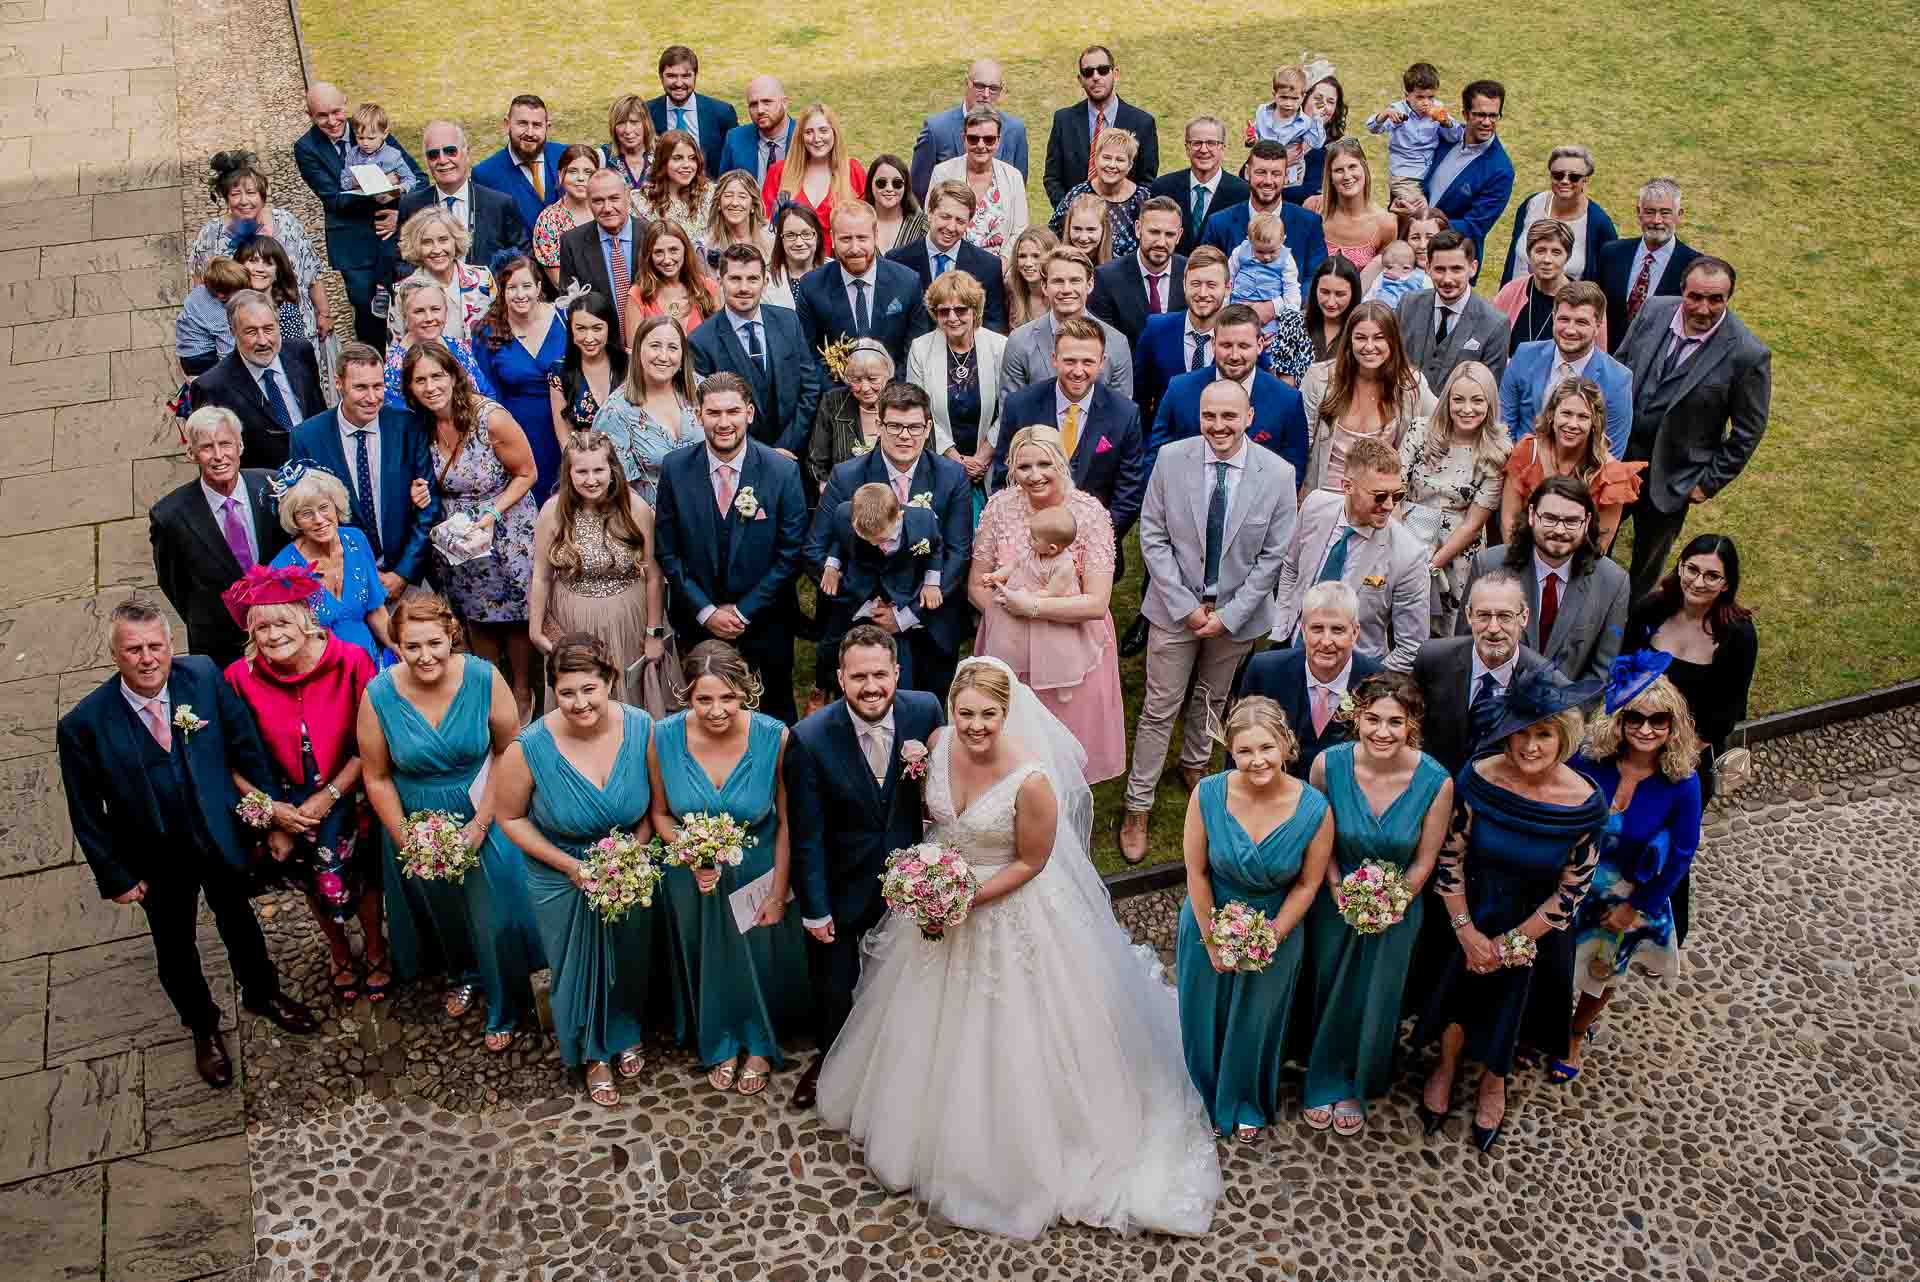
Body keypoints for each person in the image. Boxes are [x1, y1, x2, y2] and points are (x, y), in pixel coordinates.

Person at [815, 656, 1222, 1239]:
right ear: (950, 709)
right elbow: (934, 819)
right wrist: (931, 881)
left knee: (1013, 1031)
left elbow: (1033, 861)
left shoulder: (1031, 781)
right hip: (941, 898)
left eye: (988, 715)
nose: (976, 726)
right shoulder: (933, 742)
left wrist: (964, 898)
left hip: (1006, 907)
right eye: (966, 713)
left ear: (1007, 715)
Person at [58, 600, 318, 1089]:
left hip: (219, 835)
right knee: (175, 947)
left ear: (170, 646)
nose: (147, 658)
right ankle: (203, 1028)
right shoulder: (84, 724)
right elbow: (85, 809)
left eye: (155, 646)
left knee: (239, 921)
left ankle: (262, 994)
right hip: (155, 857)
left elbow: (246, 746)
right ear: (115, 654)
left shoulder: (200, 675)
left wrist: (271, 823)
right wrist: (115, 874)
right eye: (133, 649)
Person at [1413, 667, 1605, 1152]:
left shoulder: (1585, 802)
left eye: (1543, 735)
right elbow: (1451, 852)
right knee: (1458, 989)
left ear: (1563, 737)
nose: (1530, 747)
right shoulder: (1479, 776)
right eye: (1520, 735)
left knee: (1513, 1003)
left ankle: (1494, 1080)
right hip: (1470, 908)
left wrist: (1514, 942)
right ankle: (1447, 1065)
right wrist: (1466, 931)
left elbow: (1572, 888)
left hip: (1537, 925)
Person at [1121, 381, 1298, 864]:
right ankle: (1138, 801)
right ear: (1199, 416)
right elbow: (1152, 537)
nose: (1218, 426)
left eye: (1229, 416)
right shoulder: (1172, 460)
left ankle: (1196, 763)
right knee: (1160, 705)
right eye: (1209, 416)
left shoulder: (1278, 474)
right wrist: (1185, 607)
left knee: (1214, 697)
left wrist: (1230, 615)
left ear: (1249, 416)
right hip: (1175, 607)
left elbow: (1273, 557)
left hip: (1237, 614)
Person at [359, 590, 542, 1052]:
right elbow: (377, 776)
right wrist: (408, 839)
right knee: (445, 911)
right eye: (413, 646)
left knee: (496, 910)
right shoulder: (378, 694)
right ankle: (465, 973)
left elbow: (509, 750)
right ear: (396, 645)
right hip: (418, 817)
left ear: (451, 638)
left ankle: (507, 1000)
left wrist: (481, 825)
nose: (425, 657)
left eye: (435, 644)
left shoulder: (483, 677)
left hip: (485, 802)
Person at [784, 625, 944, 1109]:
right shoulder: (809, 738)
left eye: (880, 674)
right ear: (840, 677)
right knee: (833, 985)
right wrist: (814, 907)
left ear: (897, 672)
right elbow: (806, 833)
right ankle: (829, 1061)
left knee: (909, 976)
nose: (870, 686)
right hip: (841, 880)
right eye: (858, 677)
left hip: (911, 877)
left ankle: (902, 1064)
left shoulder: (926, 711)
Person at [493, 635, 656, 1107]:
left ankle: (624, 1028)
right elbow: (510, 818)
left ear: (610, 682)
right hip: (559, 869)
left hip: (628, 864)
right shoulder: (528, 749)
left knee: (627, 955)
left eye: (590, 689)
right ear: (553, 693)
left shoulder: (643, 727)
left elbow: (654, 807)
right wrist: (573, 867)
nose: (580, 703)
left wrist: (629, 857)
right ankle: (591, 1051)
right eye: (567, 693)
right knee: (575, 964)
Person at [650, 641, 810, 1094]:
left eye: (727, 697)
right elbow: (660, 814)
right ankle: (718, 1038)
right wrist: (690, 851)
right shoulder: (662, 737)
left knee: (758, 958)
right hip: (690, 877)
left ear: (746, 692)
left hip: (758, 870)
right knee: (706, 954)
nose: (716, 710)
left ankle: (758, 1042)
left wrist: (779, 892)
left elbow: (786, 823)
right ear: (688, 697)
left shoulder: (774, 736)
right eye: (704, 699)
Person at [221, 570, 386, 1003]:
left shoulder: (351, 661)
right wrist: (269, 810)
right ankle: (338, 951)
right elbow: (226, 758)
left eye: (282, 623)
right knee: (310, 881)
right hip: (287, 810)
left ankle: (375, 948)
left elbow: (372, 742)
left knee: (365, 880)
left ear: (306, 621)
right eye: (262, 627)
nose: (274, 636)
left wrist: (330, 795)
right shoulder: (239, 678)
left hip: (349, 793)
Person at [1299, 673, 1451, 1133]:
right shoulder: (1328, 766)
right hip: (1334, 899)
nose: (1382, 732)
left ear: (1412, 726)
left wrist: (1394, 902)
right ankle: (1321, 1074)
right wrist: (1337, 889)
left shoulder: (1436, 782)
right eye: (1372, 719)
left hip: (1398, 909)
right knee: (1329, 985)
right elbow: (1315, 840)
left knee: (1377, 995)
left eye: (1395, 722)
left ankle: (1359, 1079)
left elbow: (1427, 858)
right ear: (1356, 719)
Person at [1175, 695, 1332, 1142]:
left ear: (1285, 743)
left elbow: (1307, 884)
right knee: (1205, 1012)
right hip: (1210, 918)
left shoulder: (1315, 809)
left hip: (1276, 927)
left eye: (1266, 747)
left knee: (1256, 1021)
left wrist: (1271, 937)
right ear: (1232, 752)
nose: (1257, 760)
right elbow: (1197, 871)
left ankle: (1244, 1097)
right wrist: (1211, 941)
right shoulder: (1207, 794)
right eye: (1245, 751)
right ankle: (1203, 1090)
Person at [1562, 660, 1703, 1081]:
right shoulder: (1588, 761)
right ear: (1618, 721)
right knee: (1554, 962)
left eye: (1658, 720)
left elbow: (1682, 852)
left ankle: (1575, 1033)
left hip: (1627, 898)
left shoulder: (1682, 782)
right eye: (1635, 718)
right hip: (1572, 884)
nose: (1646, 729)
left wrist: (1638, 906)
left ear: (1672, 724)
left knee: (1601, 971)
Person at [970, 426, 1125, 783]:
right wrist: (1006, 619)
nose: (1034, 475)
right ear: (1011, 468)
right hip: (1008, 646)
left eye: (1045, 464)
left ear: (1061, 464)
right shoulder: (999, 507)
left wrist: (1034, 611)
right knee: (1012, 758)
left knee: (1064, 760)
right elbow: (977, 584)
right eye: (1024, 467)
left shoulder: (1088, 513)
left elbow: (1097, 602)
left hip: (1072, 652)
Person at [653, 373, 810, 724]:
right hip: (698, 623)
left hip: (766, 621)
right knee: (707, 717)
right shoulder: (676, 470)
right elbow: (667, 551)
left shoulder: (781, 471)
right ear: (698, 415)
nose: (724, 423)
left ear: (749, 413)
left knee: (773, 716)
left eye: (733, 412)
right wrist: (706, 611)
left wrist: (743, 611)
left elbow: (791, 554)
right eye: (713, 413)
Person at [1614, 256, 1772, 603]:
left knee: (1645, 568)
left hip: (1673, 477)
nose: (1704, 308)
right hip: (1618, 461)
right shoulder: (1653, 310)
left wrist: (1707, 483)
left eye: (1716, 299)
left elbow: (1748, 430)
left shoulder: (1747, 354)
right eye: (1695, 297)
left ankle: (1628, 633)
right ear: (1681, 291)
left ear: (1729, 298)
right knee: (1595, 545)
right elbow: (1621, 365)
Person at [809, 383, 974, 703]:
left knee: (926, 716)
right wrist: (867, 607)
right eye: (895, 426)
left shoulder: (950, 476)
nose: (904, 436)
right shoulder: (847, 476)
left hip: (926, 621)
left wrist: (906, 615)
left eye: (913, 427)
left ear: (927, 428)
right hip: (860, 618)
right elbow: (816, 548)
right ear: (879, 425)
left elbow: (957, 551)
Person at [403, 341, 540, 717]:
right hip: (458, 541)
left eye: (437, 376)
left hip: (506, 528)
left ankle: (524, 691)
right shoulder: (421, 426)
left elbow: (528, 473)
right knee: (475, 615)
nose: (430, 387)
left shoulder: (490, 418)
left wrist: (492, 513)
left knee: (514, 615)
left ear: (453, 376)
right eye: (420, 380)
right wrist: (421, 492)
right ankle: (488, 690)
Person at [528, 431, 670, 716]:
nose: (590, 480)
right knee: (579, 690)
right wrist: (535, 629)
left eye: (598, 470)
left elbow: (654, 576)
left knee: (626, 694)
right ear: (569, 473)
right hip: (573, 618)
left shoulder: (636, 509)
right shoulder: (552, 512)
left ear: (613, 470)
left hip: (627, 617)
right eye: (581, 471)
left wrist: (653, 633)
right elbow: (541, 576)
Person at [289, 342, 441, 603]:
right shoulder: (307, 437)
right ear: (339, 384)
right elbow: (304, 515)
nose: (372, 398)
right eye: (360, 387)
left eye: (378, 386)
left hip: (407, 577)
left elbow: (429, 505)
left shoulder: (408, 425)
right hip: (343, 582)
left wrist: (402, 574)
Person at [150, 407, 293, 669]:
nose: (218, 456)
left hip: (286, 632)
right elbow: (175, 586)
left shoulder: (273, 485)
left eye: (225, 444)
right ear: (191, 454)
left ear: (240, 446)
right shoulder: (169, 517)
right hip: (221, 647)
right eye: (206, 447)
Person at [1458, 474, 1631, 687]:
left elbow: (1601, 673)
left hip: (1565, 712)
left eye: (1571, 521)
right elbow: (1465, 647)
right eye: (1550, 518)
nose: (1559, 530)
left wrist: (1565, 716)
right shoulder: (1488, 565)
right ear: (1532, 515)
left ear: (1586, 522)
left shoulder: (1613, 582)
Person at [1272, 438, 1427, 670]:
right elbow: (1292, 568)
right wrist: (1281, 627)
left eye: (1397, 496)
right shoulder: (1315, 505)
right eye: (1379, 496)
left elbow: (1411, 647)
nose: (1389, 506)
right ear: (1347, 486)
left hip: (1354, 672)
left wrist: (1366, 686)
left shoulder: (1409, 555)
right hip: (1292, 652)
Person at [994, 316, 1146, 543]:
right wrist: (1030, 538)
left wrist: (1090, 542)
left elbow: (1128, 494)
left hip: (1095, 545)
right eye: (1070, 361)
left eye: (1087, 362)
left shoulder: (1124, 414)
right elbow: (1004, 478)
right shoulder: (1020, 406)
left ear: (1102, 362)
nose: (1078, 371)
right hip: (1027, 543)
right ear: (1054, 359)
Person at [295, 82, 423, 344]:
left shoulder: (368, 127)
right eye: (322, 115)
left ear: (345, 103)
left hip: (393, 234)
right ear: (310, 116)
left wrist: (399, 212)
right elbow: (334, 199)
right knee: (367, 310)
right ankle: (374, 369)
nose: (332, 121)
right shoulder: (306, 148)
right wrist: (381, 182)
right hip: (352, 243)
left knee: (409, 301)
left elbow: (418, 179)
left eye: (336, 112)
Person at [1397, 361, 1511, 633]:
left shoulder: (1497, 453)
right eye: (1458, 400)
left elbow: (1474, 523)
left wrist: (1431, 564)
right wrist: (1404, 548)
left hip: (1456, 550)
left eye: (1477, 401)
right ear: (1447, 400)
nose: (1467, 409)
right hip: (1407, 535)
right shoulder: (1421, 431)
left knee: (1449, 631)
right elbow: (1394, 488)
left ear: (1490, 403)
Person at [1411, 569, 1555, 780]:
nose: (1493, 628)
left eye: (1505, 616)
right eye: (1484, 615)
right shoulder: (1432, 659)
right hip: (1434, 785)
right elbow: (1414, 728)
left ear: (1524, 617)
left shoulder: (1547, 681)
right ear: (1469, 615)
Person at [1234, 581, 1386, 777]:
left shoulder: (1376, 682)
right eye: (1317, 629)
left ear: (1355, 632)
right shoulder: (1265, 671)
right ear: (1304, 631)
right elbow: (1241, 740)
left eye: (1337, 630)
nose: (1326, 641)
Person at [690, 244, 823, 456]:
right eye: (735, 279)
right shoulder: (701, 341)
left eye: (752, 279)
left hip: (796, 455)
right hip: (739, 458)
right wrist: (763, 454)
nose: (744, 288)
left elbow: (810, 388)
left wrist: (788, 446)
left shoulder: (788, 321)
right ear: (719, 281)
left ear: (765, 281)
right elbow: (710, 412)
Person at [1149, 303, 1309, 478]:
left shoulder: (1287, 401)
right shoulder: (1179, 390)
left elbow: (1293, 471)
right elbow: (1157, 459)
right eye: (1226, 345)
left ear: (1260, 344)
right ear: (1213, 344)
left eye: (1243, 346)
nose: (1234, 355)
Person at [188, 152, 330, 342]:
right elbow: (201, 289)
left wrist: (324, 314)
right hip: (239, 335)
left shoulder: (286, 224)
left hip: (296, 329)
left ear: (262, 195)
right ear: (226, 197)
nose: (244, 201)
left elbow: (312, 273)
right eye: (236, 194)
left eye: (251, 193)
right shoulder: (211, 236)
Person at [1299, 301, 1436, 493]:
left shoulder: (1410, 385)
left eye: (1379, 338)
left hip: (1378, 501)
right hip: (1323, 494)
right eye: (1361, 338)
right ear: (1349, 340)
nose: (1369, 347)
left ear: (1393, 340)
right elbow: (1301, 442)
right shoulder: (1319, 379)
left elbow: (1441, 422)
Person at [814, 483, 943, 685]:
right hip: (858, 586)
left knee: (899, 653)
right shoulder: (843, 514)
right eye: (867, 538)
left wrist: (931, 583)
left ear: (899, 516)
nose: (876, 544)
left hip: (898, 591)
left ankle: (899, 693)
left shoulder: (923, 521)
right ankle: (826, 686)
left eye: (882, 538)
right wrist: (832, 565)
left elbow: (935, 548)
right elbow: (840, 538)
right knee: (831, 644)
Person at [265, 462, 394, 665]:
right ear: (294, 520)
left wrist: (399, 649)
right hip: (323, 673)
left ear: (336, 505)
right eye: (306, 514)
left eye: (324, 507)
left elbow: (376, 611)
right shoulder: (282, 568)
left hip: (372, 664)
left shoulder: (356, 540)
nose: (319, 519)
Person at [1499, 376, 1644, 548]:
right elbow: (1509, 521)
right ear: (1552, 414)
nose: (1572, 424)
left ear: (1594, 423)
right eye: (1566, 413)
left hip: (1576, 563)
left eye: (1583, 417)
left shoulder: (1612, 476)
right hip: (1523, 554)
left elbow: (1600, 543)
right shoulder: (1527, 451)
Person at [192, 290, 326, 468]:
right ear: (233, 332)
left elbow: (320, 414)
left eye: (268, 329)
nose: (263, 341)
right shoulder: (211, 387)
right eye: (251, 332)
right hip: (264, 487)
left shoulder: (301, 352)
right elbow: (214, 463)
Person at [474, 254, 569, 505]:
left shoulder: (565, 319)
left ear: (539, 287)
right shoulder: (488, 332)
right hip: (518, 432)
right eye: (511, 287)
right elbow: (486, 393)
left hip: (565, 425)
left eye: (526, 286)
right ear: (501, 291)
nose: (520, 294)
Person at [906, 268, 1008, 498]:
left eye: (961, 309)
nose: (952, 318)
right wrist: (954, 458)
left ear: (975, 310)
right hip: (940, 463)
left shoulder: (999, 346)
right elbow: (917, 410)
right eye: (944, 311)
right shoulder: (920, 349)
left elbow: (1008, 408)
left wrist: (982, 458)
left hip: (990, 464)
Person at [791, 202, 922, 377]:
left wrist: (888, 391)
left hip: (895, 395)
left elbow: (914, 352)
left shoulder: (908, 282)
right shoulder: (812, 287)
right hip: (836, 395)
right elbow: (808, 357)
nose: (854, 248)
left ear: (875, 235)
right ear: (833, 237)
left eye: (862, 238)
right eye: (845, 239)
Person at [593, 313, 701, 502]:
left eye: (673, 348)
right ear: (637, 350)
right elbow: (617, 487)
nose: (664, 356)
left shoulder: (702, 390)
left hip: (708, 511)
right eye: (655, 346)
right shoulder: (616, 411)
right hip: (650, 517)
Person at [999, 246, 1134, 397]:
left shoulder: (1116, 343)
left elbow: (1121, 414)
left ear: (1089, 285)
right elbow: (1011, 410)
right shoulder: (1019, 341)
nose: (1066, 289)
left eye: (1075, 281)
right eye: (1058, 281)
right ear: (1044, 286)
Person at [1200, 140, 1327, 296]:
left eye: (1276, 174)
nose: (1268, 181)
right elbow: (1207, 276)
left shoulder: (1309, 224)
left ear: (1286, 176)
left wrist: (1276, 307)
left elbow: (1316, 280)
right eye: (1261, 172)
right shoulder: (1219, 223)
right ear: (1247, 173)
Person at [397, 121, 530, 269]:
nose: (442, 160)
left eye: (450, 151)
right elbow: (400, 263)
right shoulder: (411, 206)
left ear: (467, 152)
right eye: (433, 154)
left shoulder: (500, 205)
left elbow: (522, 261)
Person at [887, 182, 1010, 338]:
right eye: (945, 217)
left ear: (969, 222)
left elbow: (994, 326)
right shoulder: (898, 260)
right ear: (930, 213)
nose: (951, 227)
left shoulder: (988, 266)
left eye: (960, 221)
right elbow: (892, 322)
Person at [1042, 44, 1159, 207]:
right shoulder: (1064, 120)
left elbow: (1147, 181)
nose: (1095, 77)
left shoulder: (1142, 123)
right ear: (1080, 79)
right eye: (1088, 72)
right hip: (1075, 225)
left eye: (1102, 70)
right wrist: (1070, 212)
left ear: (1115, 74)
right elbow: (1052, 178)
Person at [1594, 177, 1700, 354]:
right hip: (1608, 357)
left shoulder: (1694, 267)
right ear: (1639, 212)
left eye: (1665, 213)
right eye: (1650, 212)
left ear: (1679, 215)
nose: (1657, 220)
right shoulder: (1611, 253)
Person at [1420, 80, 1514, 277]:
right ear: (1465, 114)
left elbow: (1476, 225)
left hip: (1450, 264)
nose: (1487, 122)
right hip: (1413, 247)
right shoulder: (1445, 135)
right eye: (1480, 114)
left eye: (1493, 116)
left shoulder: (1501, 171)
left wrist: (1433, 225)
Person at [1395, 229, 1509, 391]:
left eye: (1456, 269)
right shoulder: (1408, 305)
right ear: (1428, 268)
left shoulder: (1495, 324)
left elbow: (1488, 392)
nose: (1447, 279)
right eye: (1440, 269)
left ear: (1473, 268)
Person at [1133, 246, 1232, 430]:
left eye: (1211, 285)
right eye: (1195, 284)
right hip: (1167, 448)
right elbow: (1140, 400)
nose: (1202, 294)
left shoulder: (1240, 337)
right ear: (1184, 283)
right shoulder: (1157, 330)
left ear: (1227, 288)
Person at [910, 59, 1030, 200]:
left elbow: (1018, 187)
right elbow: (919, 190)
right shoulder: (936, 129)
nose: (986, 94)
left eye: (993, 88)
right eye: (980, 86)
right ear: (967, 83)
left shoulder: (1015, 130)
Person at [1498, 144, 1617, 286]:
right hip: (1517, 300)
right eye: (1558, 175)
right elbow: (1513, 260)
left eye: (1574, 177)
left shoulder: (1599, 224)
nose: (1565, 181)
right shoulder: (1532, 204)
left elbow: (1608, 280)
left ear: (1585, 180)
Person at [926, 107, 1030, 260]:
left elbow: (1020, 229)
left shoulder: (1013, 177)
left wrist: (1002, 265)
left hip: (998, 270)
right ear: (964, 138)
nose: (981, 145)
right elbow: (930, 220)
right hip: (951, 266)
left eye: (989, 139)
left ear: (998, 140)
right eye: (974, 139)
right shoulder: (943, 173)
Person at [763, 104, 866, 257]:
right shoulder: (779, 172)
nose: (817, 139)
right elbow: (765, 226)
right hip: (791, 264)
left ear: (834, 133)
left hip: (840, 265)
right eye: (809, 132)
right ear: (800, 137)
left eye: (823, 131)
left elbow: (866, 224)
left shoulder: (853, 171)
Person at [1492, 218, 1607, 356]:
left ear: (1567, 257)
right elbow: (1489, 341)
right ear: (1529, 254)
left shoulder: (1588, 301)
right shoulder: (1510, 292)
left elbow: (1598, 356)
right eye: (1540, 251)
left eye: (1556, 252)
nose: (1547, 259)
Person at [555, 170, 642, 347]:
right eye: (598, 201)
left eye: (614, 198)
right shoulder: (572, 243)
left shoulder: (652, 237)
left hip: (649, 348)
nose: (607, 208)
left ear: (627, 196)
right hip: (600, 350)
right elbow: (571, 305)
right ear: (588, 202)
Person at [1364, 62, 1463, 212]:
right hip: (1404, 177)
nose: (1426, 103)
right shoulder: (1398, 112)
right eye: (1420, 97)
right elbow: (1372, 128)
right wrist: (1384, 115)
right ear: (1407, 96)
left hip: (1429, 175)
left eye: (1431, 97)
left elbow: (1456, 137)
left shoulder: (1438, 109)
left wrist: (1446, 122)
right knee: (1420, 214)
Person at [1089, 196, 1185, 349]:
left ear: (1179, 235)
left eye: (1169, 234)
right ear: (1138, 229)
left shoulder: (1190, 274)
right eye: (1154, 232)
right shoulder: (1107, 278)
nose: (1161, 242)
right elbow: (1103, 343)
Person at [381, 279, 494, 408]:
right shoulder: (395, 369)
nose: (429, 318)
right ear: (405, 316)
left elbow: (487, 392)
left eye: (435, 309)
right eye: (419, 311)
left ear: (445, 311)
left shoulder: (459, 346)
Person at [1150, 115, 1251, 257]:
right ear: (1187, 148)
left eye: (1211, 143)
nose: (1204, 150)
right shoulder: (1162, 188)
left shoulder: (1243, 194)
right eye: (1196, 143)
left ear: (1222, 148)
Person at [1047, 126, 1152, 258]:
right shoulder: (1078, 194)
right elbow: (1051, 235)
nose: (1112, 165)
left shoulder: (1142, 198)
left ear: (1130, 165)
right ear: (1096, 159)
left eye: (1120, 160)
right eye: (1106, 158)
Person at [804, 338, 894, 492]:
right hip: (844, 496)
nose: (865, 388)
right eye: (856, 380)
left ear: (888, 375)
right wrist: (826, 486)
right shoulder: (833, 402)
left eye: (873, 379)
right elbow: (816, 460)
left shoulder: (903, 402)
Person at [391, 207, 494, 343]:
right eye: (427, 242)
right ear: (416, 246)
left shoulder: (483, 278)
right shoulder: (402, 290)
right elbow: (395, 350)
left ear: (455, 241)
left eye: (443, 240)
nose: (437, 249)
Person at [471, 93, 568, 235]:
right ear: (507, 124)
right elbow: (488, 235)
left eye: (537, 125)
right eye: (522, 123)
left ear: (547, 127)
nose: (529, 132)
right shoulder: (485, 175)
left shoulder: (565, 156)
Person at [646, 45, 738, 178]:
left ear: (695, 76)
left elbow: (732, 160)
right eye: (671, 76)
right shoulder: (648, 113)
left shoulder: (722, 113)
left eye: (685, 76)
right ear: (661, 77)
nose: (679, 83)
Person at [623, 221, 719, 347]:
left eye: (673, 250)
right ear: (649, 256)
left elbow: (720, 343)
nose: (667, 259)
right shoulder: (637, 295)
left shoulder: (708, 287)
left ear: (685, 250)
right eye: (658, 252)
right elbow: (633, 353)